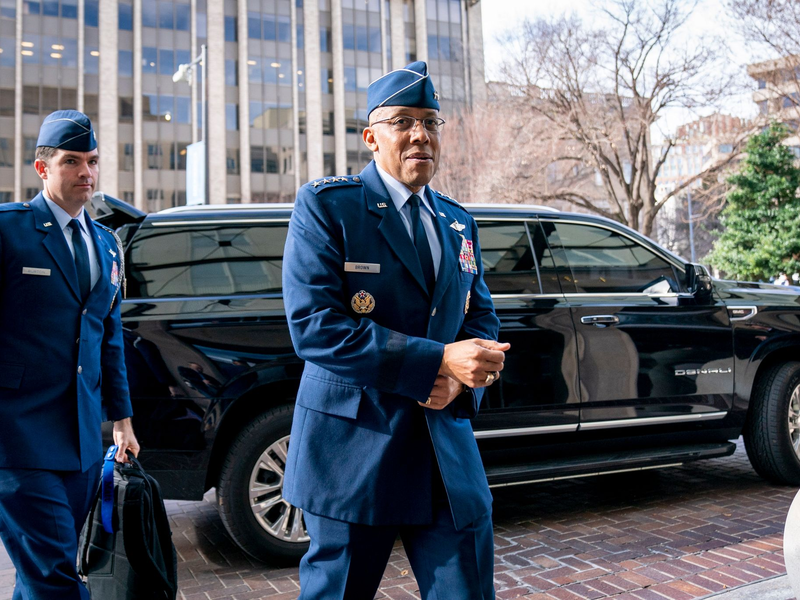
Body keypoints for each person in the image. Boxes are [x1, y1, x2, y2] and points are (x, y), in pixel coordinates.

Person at [282, 62, 509, 599]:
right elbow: (315, 327)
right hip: (354, 449)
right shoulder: (328, 206)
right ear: (370, 136)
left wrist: (463, 378)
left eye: (431, 122)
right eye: (403, 121)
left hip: (444, 450)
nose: (419, 135)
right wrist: (437, 361)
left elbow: (480, 314)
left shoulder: (457, 221)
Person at [0, 110, 139, 599]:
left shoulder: (107, 244)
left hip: (80, 439)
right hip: (17, 438)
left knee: (41, 572)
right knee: (58, 576)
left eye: (93, 161)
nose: (87, 173)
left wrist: (121, 420)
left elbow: (109, 336)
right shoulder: (9, 231)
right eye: (72, 161)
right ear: (42, 168)